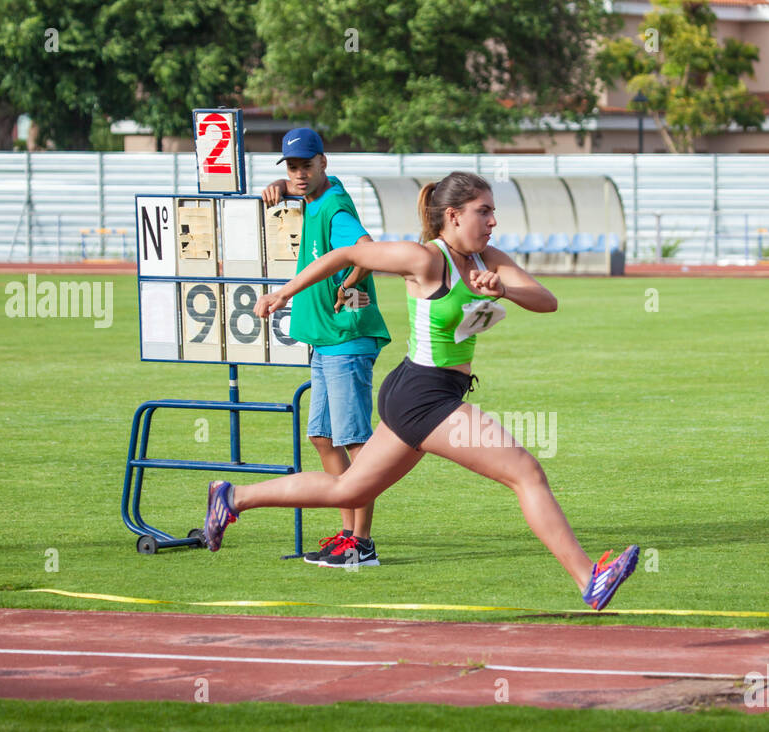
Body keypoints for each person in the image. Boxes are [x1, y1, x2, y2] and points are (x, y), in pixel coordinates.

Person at [202, 171, 639, 610]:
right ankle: (590, 577)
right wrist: (284, 293)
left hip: (426, 392)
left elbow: (548, 300)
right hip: (424, 394)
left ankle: (233, 497)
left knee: (349, 490)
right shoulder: (425, 259)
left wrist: (504, 289)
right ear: (453, 215)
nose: (492, 222)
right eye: (483, 212)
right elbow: (347, 254)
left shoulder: (488, 258)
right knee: (524, 472)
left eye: (493, 212)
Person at [260, 128, 389, 569]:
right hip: (326, 340)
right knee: (322, 436)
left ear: (324, 163)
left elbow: (366, 247)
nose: (299, 173)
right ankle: (348, 532)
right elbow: (304, 190)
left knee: (355, 441)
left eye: (306, 166)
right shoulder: (315, 196)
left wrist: (353, 276)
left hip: (346, 340)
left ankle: (363, 544)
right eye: (291, 167)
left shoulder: (333, 207)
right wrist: (285, 189)